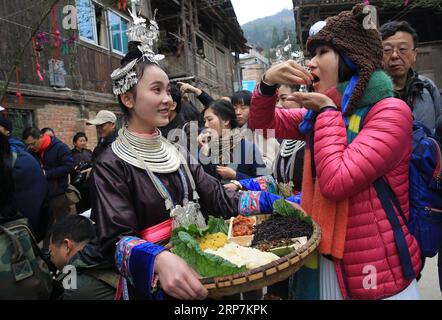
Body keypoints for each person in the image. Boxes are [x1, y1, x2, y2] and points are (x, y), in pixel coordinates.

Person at [85, 15, 282, 300]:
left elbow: (217, 198)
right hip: (156, 286)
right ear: (128, 99)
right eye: (156, 90)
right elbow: (115, 241)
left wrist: (272, 202)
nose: (168, 99)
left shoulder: (177, 152)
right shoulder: (110, 163)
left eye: (168, 90)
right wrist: (158, 259)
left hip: (204, 273)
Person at [249, 4, 422, 300]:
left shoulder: (391, 112)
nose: (312, 64)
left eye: (322, 53)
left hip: (375, 270)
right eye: (311, 55)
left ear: (351, 57)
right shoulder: (317, 115)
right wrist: (267, 84)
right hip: (323, 260)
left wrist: (328, 111)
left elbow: (336, 182)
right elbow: (263, 123)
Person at [380, 21, 442, 131]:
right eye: (387, 50)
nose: (394, 55)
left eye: (402, 49)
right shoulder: (370, 94)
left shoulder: (427, 87)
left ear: (414, 54)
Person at [198, 99, 267, 183]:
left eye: (209, 119)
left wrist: (236, 177)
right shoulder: (206, 146)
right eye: (205, 121)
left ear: (226, 120)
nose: (206, 125)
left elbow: (264, 182)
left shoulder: (246, 148)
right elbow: (204, 183)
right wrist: (204, 155)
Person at [22, 127, 74, 238]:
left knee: (63, 225)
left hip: (58, 194)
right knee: (45, 226)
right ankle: (45, 252)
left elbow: (69, 166)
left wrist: (47, 174)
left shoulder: (60, 147)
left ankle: (68, 249)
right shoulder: (30, 151)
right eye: (28, 145)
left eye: (33, 144)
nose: (31, 147)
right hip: (40, 195)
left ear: (41, 137)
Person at [48, 214, 115, 300]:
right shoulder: (108, 250)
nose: (50, 258)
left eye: (51, 252)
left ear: (67, 246)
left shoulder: (74, 288)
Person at [232, 90, 280, 174]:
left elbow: (268, 165)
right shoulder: (232, 131)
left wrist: (237, 174)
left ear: (253, 109)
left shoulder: (264, 130)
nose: (238, 112)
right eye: (234, 108)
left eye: (243, 108)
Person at [71, 132, 93, 214]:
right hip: (78, 183)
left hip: (89, 181)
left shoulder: (89, 152)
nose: (83, 142)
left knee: (90, 203)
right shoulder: (71, 154)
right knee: (80, 204)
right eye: (81, 141)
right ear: (74, 143)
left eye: (84, 141)